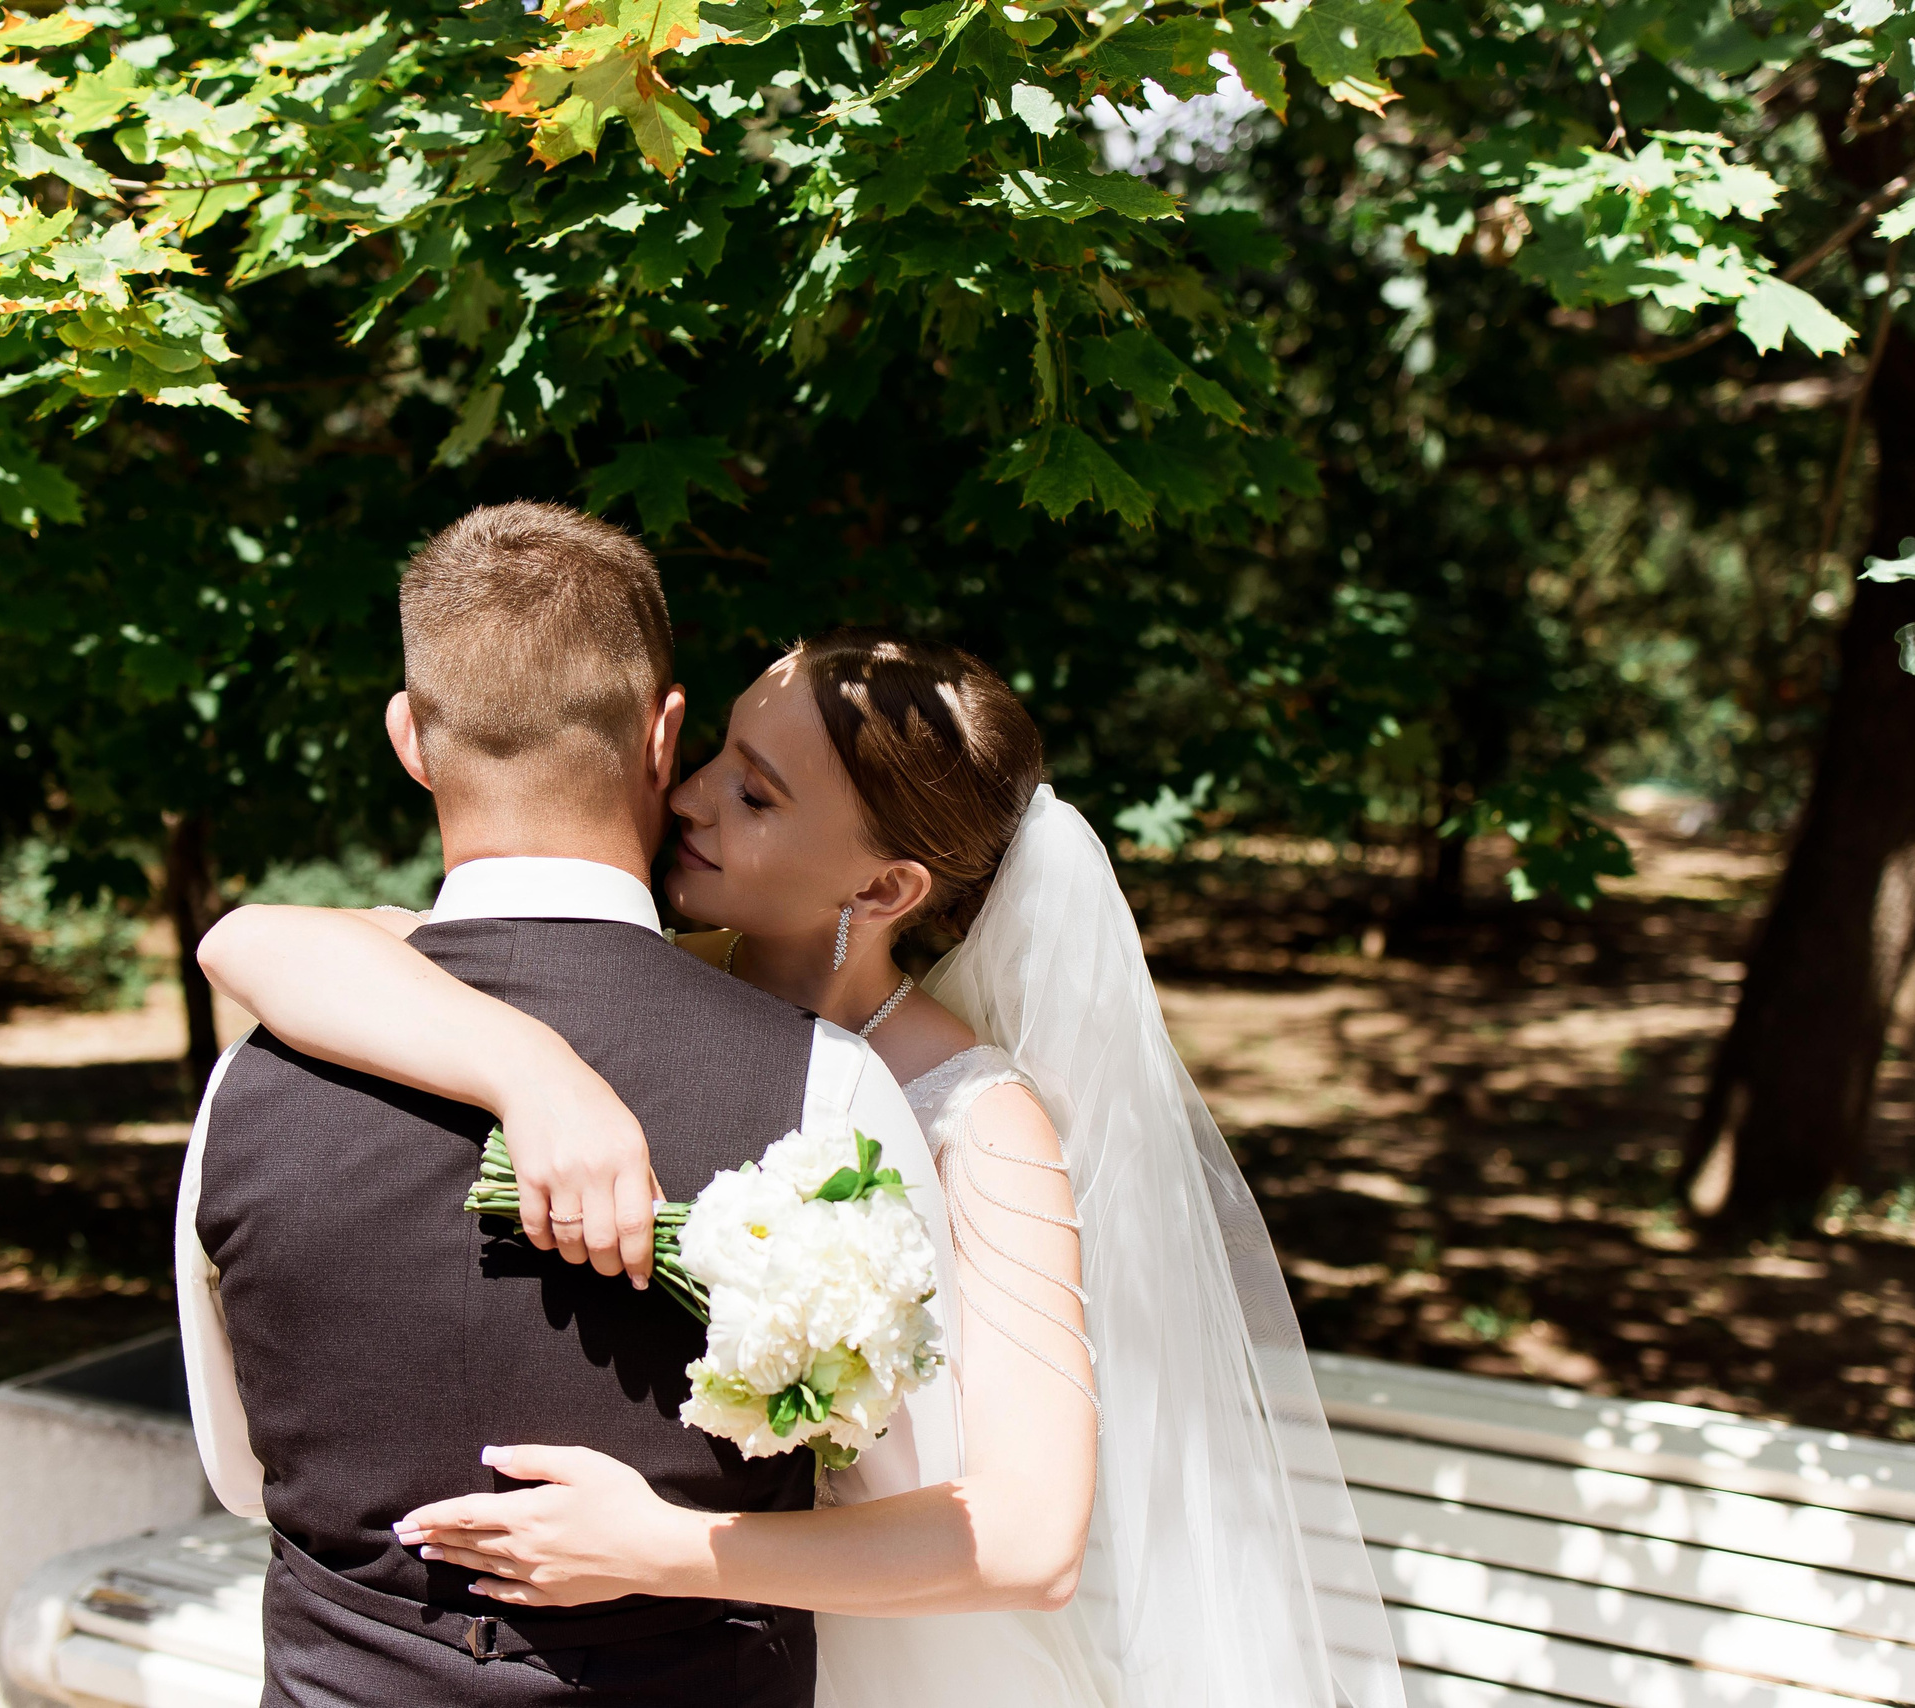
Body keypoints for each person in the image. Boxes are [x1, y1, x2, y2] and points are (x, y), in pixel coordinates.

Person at [200, 621, 1406, 1708]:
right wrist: (533, 1071)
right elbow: (251, 941)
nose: (691, 798)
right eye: (716, 754)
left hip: (879, 1654)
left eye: (758, 797)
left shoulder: (982, 1124)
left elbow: (1032, 1539)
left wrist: (662, 1546)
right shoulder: (654, 981)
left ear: (884, 888)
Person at [176, 501, 977, 1708]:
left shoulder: (253, 1071)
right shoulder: (828, 1084)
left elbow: (244, 1473)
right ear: (664, 735)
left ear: (409, 738)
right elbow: (900, 1472)